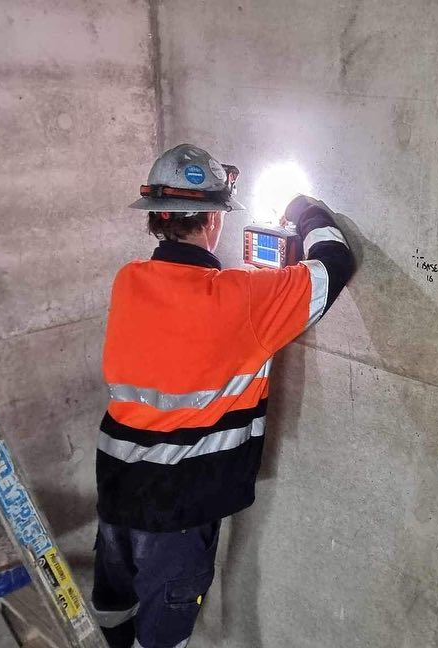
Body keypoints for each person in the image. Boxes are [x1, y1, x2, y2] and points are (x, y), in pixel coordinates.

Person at [90, 144, 355, 648]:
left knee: (115, 606)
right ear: (215, 221)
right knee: (165, 635)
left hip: (117, 489)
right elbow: (334, 264)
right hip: (178, 512)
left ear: (155, 218)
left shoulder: (129, 282)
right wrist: (303, 208)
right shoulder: (243, 299)